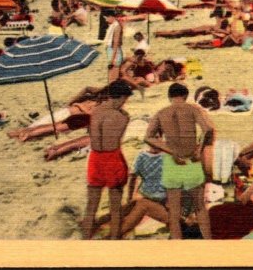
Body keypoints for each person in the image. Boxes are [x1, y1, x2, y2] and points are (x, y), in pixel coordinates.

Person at [145, 83, 215, 240]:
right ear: (185, 96)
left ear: (169, 97)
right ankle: (209, 244)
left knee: (174, 212)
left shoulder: (161, 113)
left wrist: (169, 150)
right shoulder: (193, 109)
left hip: (172, 161)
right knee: (200, 207)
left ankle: (177, 248)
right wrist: (199, 149)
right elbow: (208, 130)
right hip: (191, 160)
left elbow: (148, 137)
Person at [82, 80, 133, 240]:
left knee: (91, 206)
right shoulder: (124, 117)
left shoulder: (96, 111)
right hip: (113, 158)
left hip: (96, 159)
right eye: (125, 98)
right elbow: (117, 138)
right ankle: (115, 240)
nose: (125, 102)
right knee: (116, 207)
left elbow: (95, 140)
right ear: (121, 97)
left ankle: (84, 239)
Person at [103, 11, 124, 81]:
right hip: (112, 52)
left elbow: (116, 44)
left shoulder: (116, 27)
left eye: (106, 18)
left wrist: (112, 59)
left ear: (111, 16)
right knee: (111, 77)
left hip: (115, 53)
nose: (106, 20)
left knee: (113, 78)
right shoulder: (113, 26)